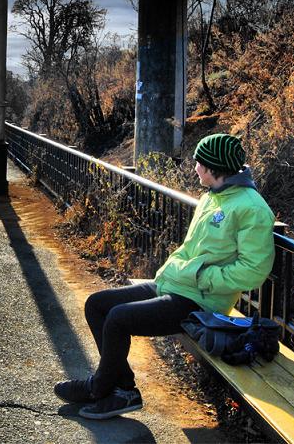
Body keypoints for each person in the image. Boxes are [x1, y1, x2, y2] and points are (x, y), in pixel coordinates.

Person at [54, 133, 276, 420]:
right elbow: (193, 249)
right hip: (176, 284)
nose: (195, 168)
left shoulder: (252, 208)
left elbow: (253, 271)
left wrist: (202, 276)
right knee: (97, 304)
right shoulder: (214, 197)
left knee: (118, 318)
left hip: (201, 302)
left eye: (199, 163)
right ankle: (116, 388)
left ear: (212, 168)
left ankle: (108, 389)